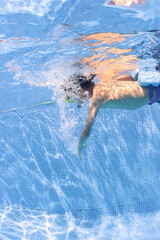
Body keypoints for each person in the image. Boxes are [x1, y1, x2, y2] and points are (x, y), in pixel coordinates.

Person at [62, 32, 160, 158]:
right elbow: (130, 79)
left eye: (71, 97)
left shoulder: (96, 99)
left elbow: (87, 130)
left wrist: (80, 146)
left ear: (79, 90)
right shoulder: (107, 84)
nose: (73, 101)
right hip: (155, 93)